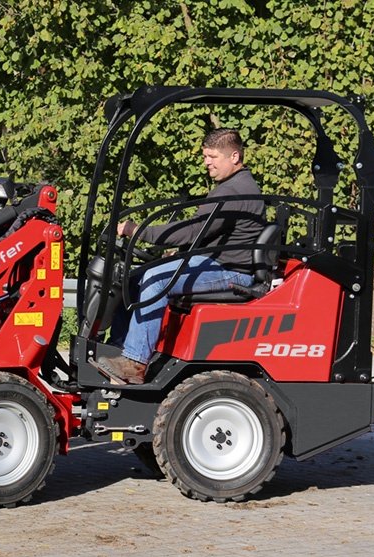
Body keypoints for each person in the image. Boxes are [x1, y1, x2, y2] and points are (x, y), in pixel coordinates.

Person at [97, 128, 265, 384]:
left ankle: (135, 362)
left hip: (232, 272)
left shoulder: (233, 191)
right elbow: (211, 233)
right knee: (135, 277)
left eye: (212, 156)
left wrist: (139, 230)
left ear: (234, 156)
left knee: (156, 278)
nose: (206, 162)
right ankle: (119, 348)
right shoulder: (234, 186)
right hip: (217, 262)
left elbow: (194, 230)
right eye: (205, 156)